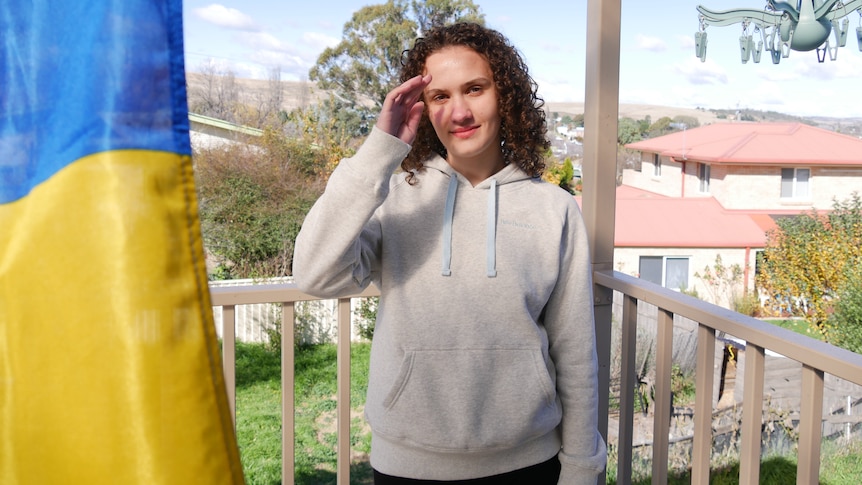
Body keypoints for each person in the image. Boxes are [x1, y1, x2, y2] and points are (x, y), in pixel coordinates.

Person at [293, 22, 607, 484]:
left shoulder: (554, 208)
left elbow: (576, 352)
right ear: (424, 108)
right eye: (440, 96)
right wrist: (380, 151)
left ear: (505, 95)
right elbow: (313, 275)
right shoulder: (393, 198)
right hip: (406, 466)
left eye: (475, 89)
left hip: (529, 463)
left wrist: (583, 466)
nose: (459, 111)